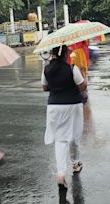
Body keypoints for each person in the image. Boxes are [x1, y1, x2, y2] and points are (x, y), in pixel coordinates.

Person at [41, 45, 87, 193]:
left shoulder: (46, 69)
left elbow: (45, 88)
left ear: (53, 53)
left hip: (54, 106)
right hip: (73, 105)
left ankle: (61, 174)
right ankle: (75, 163)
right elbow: (82, 86)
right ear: (66, 53)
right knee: (74, 134)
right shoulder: (72, 68)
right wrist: (84, 76)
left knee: (60, 139)